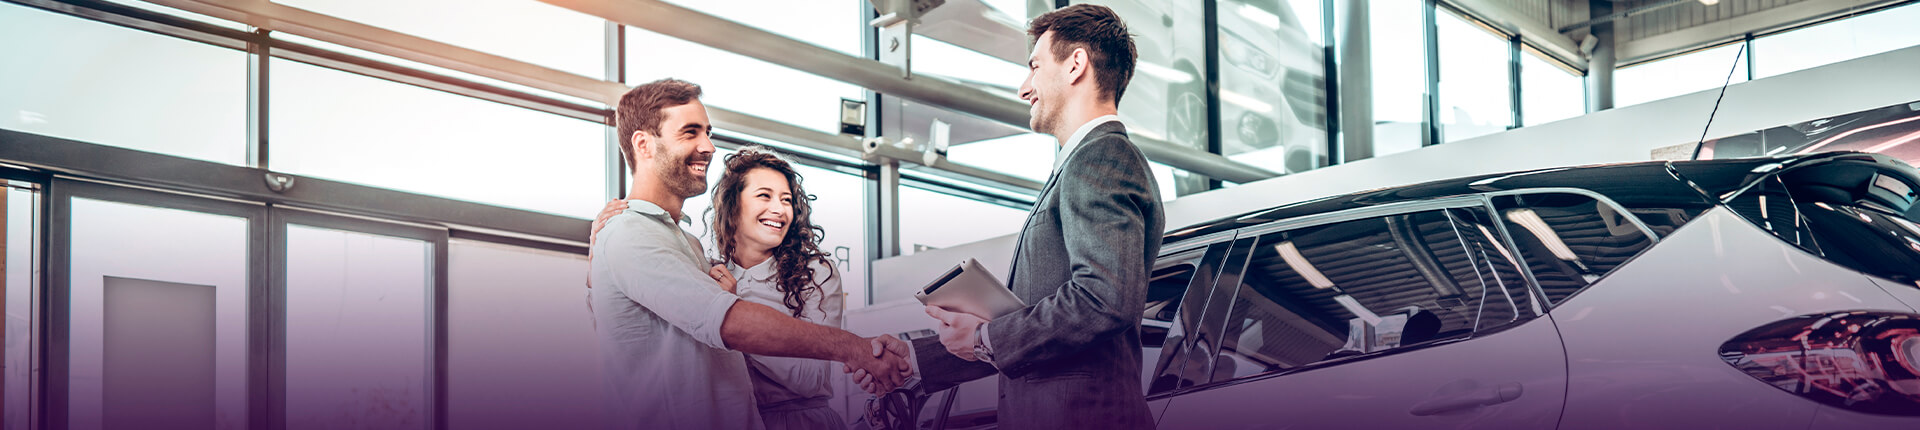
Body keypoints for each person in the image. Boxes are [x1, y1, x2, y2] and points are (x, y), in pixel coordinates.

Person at [854, 4, 1166, 429]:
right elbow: (1043, 333)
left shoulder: (1101, 157)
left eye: (1034, 66)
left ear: (1076, 64)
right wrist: (914, 359)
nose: (1025, 88)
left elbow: (1103, 301)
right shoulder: (1086, 164)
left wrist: (985, 337)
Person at [587, 78, 910, 430]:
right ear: (643, 144)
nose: (708, 146)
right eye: (690, 132)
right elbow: (725, 322)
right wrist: (856, 349)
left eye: (708, 132)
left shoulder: (688, 244)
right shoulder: (630, 231)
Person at [596, 146, 850, 430]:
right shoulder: (710, 274)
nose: (779, 209)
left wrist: (732, 315)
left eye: (787, 200)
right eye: (764, 196)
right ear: (733, 205)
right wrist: (599, 252)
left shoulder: (815, 274)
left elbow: (809, 379)